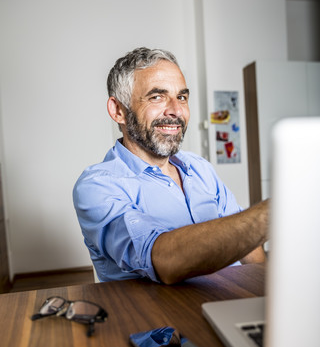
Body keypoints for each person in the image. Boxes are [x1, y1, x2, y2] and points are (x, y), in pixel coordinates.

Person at [73, 47, 268, 285]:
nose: (176, 110)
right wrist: (273, 213)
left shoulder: (199, 168)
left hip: (232, 303)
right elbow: (162, 261)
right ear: (118, 110)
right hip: (168, 317)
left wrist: (268, 294)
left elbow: (250, 248)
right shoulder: (98, 185)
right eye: (157, 96)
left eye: (182, 97)